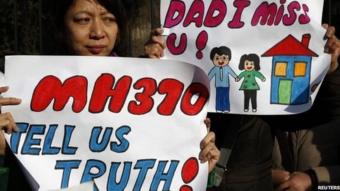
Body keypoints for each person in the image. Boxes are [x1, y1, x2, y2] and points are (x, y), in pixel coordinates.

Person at [0, 0, 220, 190]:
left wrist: (195, 159)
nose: (98, 32)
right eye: (83, 20)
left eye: (109, 19)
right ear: (61, 27)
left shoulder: (152, 89)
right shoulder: (18, 90)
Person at [145, 25, 340, 191]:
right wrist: (149, 69)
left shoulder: (263, 85)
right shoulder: (182, 65)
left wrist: (326, 72)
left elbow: (313, 115)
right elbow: (147, 129)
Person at [271, 24, 340, 191]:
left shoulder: (332, 114)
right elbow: (232, 168)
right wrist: (267, 177)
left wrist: (314, 180)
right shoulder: (254, 118)